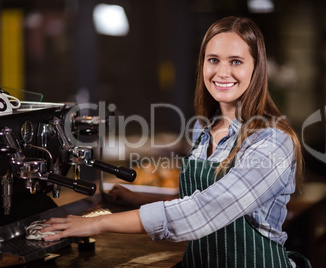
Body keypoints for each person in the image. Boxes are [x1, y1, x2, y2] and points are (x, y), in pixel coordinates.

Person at [43, 16, 310, 267]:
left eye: (236, 61)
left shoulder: (271, 140)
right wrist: (140, 198)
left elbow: (205, 209)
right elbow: (198, 196)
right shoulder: (205, 129)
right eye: (213, 60)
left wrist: (96, 224)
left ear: (257, 68)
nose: (222, 72)